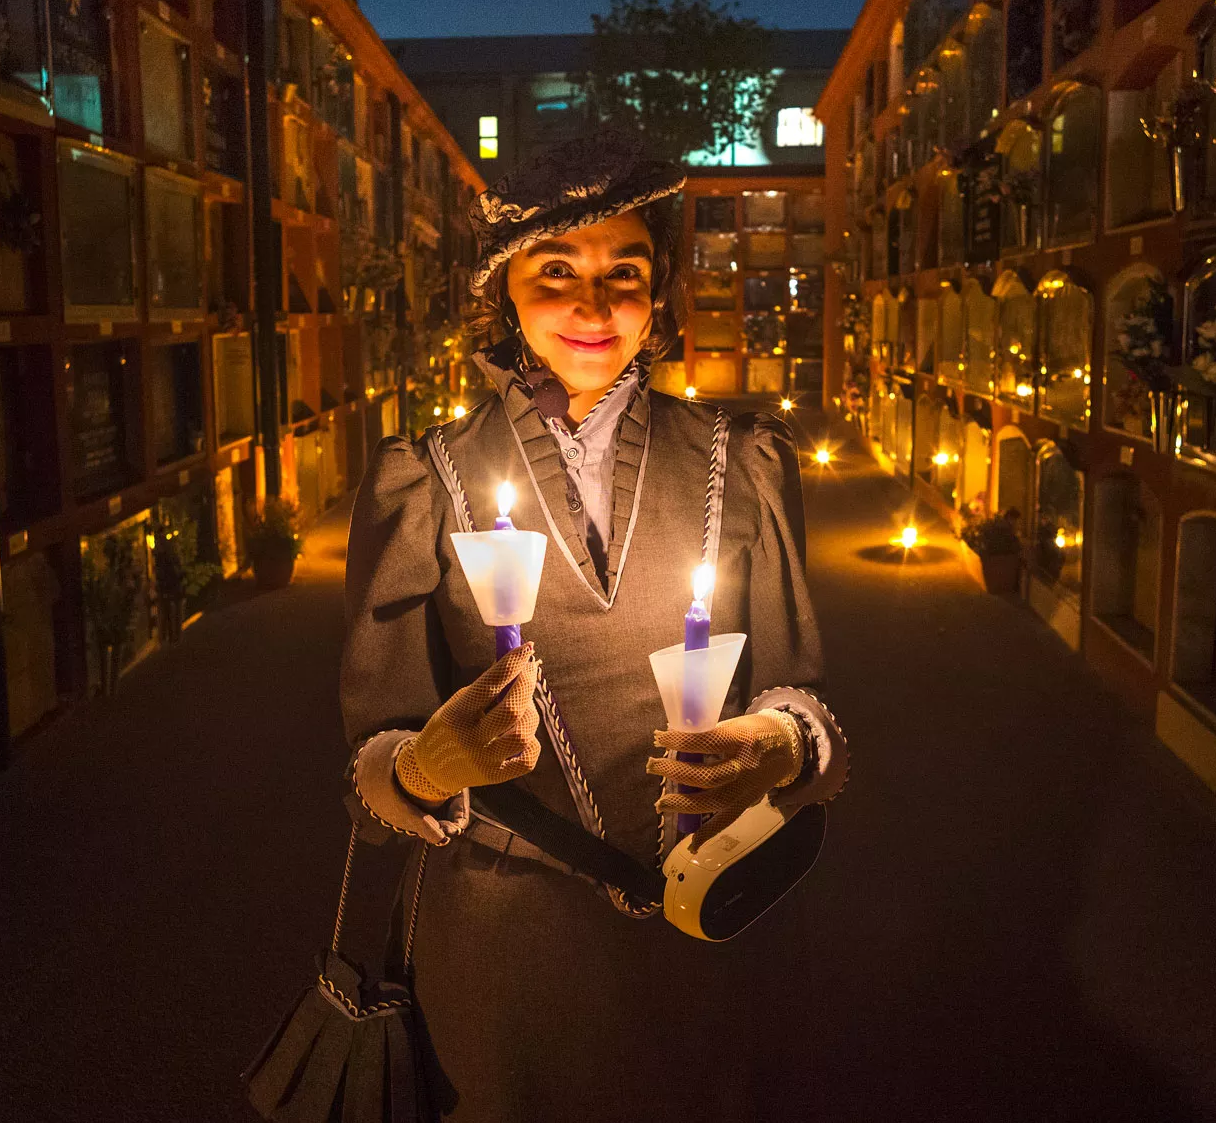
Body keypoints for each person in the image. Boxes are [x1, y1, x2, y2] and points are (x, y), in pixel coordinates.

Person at [340, 128, 848, 1121]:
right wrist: (424, 765)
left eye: (625, 269)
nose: (590, 303)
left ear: (658, 293)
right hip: (504, 937)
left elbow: (800, 691)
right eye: (555, 269)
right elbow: (372, 761)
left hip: (702, 921)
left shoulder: (738, 457)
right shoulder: (426, 480)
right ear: (505, 292)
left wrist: (775, 743)